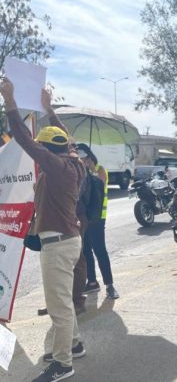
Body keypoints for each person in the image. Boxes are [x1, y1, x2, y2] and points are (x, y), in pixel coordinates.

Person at [1, 79, 87, 382]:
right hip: (67, 240)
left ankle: (62, 364)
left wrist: (10, 102)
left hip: (59, 244)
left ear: (50, 150)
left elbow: (25, 141)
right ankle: (73, 344)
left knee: (58, 306)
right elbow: (69, 139)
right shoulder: (74, 162)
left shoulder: (58, 167)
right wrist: (50, 110)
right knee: (62, 300)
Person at [76, 144, 119, 299]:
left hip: (98, 218)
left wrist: (89, 171)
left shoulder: (100, 170)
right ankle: (92, 282)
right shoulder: (81, 172)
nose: (81, 161)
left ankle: (110, 285)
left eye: (83, 158)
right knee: (86, 250)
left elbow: (97, 187)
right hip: (85, 218)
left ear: (89, 157)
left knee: (100, 251)